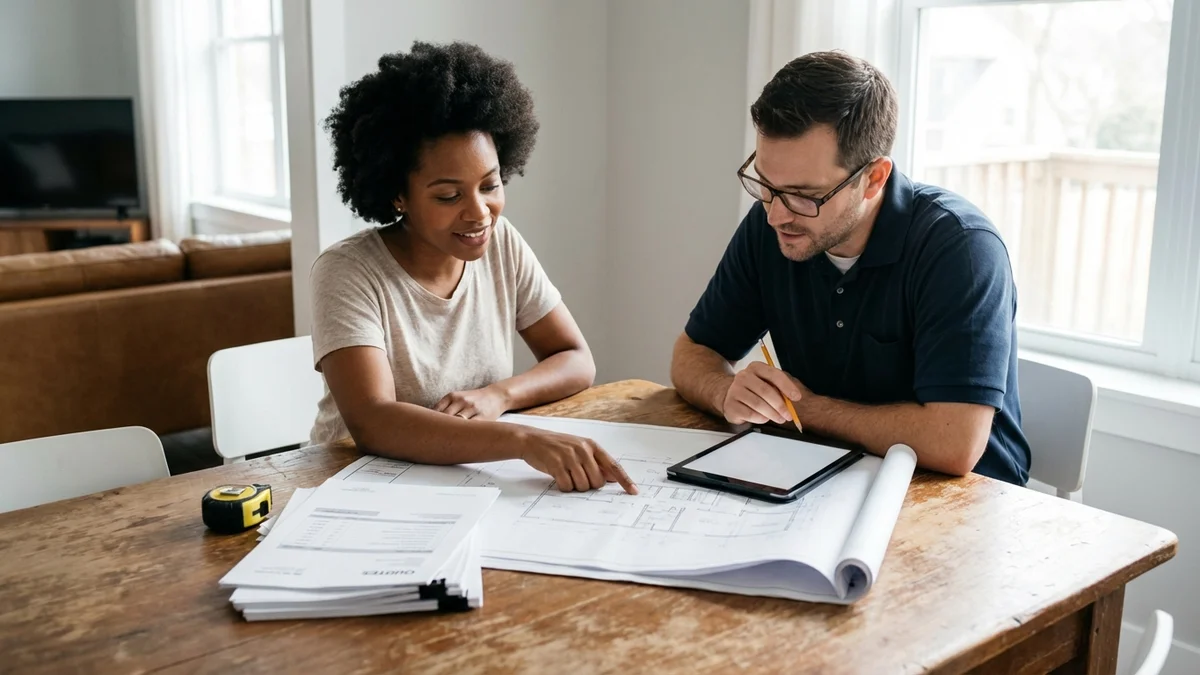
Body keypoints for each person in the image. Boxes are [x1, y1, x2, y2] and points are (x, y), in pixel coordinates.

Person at [670, 51, 1031, 485]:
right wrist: (724, 391)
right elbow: (693, 353)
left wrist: (797, 407)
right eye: (765, 184)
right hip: (825, 477)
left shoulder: (962, 250)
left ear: (874, 178)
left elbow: (955, 444)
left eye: (805, 194)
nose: (775, 215)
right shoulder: (777, 224)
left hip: (962, 499)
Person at [311, 41, 636, 494]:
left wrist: (498, 396)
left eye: (491, 184)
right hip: (358, 485)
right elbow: (373, 422)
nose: (480, 212)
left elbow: (576, 360)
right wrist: (522, 438)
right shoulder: (347, 271)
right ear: (397, 194)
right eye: (448, 196)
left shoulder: (501, 243)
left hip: (470, 482)